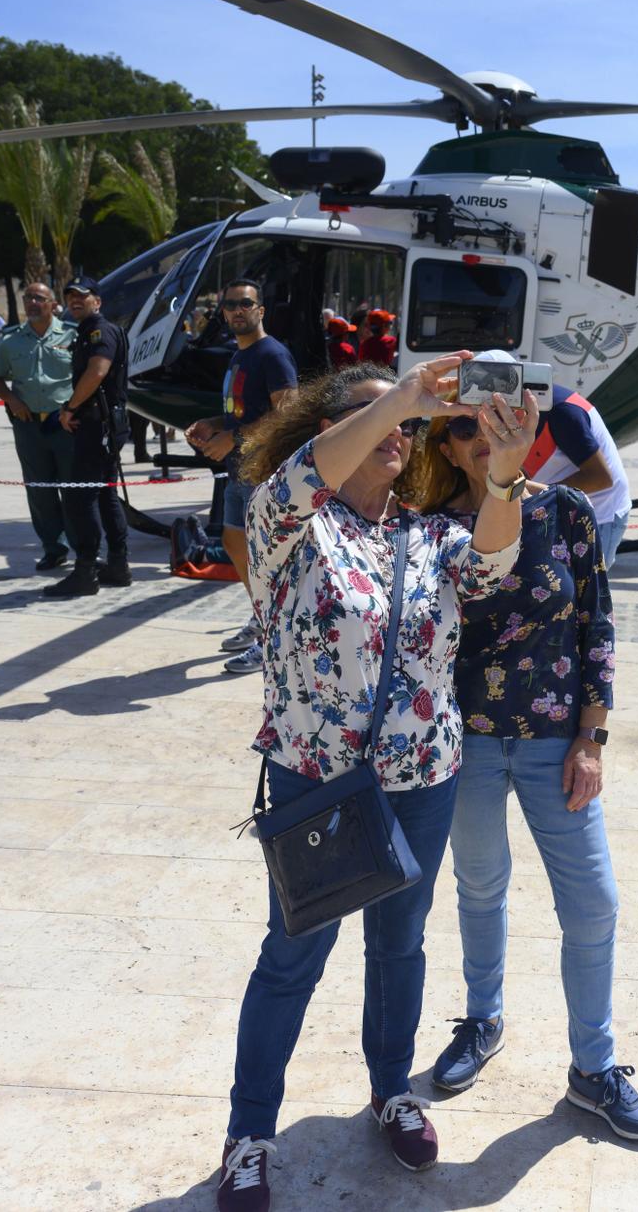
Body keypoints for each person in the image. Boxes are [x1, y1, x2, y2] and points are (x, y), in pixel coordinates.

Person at [209, 358, 531, 1207]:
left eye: (404, 423)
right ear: (329, 432)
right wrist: (405, 393)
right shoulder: (289, 528)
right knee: (293, 955)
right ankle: (249, 1134)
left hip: (423, 773)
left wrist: (504, 471)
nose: (399, 431)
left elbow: (495, 565)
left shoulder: (427, 536)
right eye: (375, 417)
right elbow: (298, 479)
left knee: (400, 943)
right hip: (318, 779)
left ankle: (392, 1088)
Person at [408, 375, 638, 1143]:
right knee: (480, 888)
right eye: (465, 429)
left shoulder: (569, 512)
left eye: (499, 420)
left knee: (594, 903)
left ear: (526, 425)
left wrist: (593, 737)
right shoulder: (429, 531)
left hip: (557, 745)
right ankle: (482, 1020)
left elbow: (598, 631)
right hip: (471, 746)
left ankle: (594, 1068)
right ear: (447, 450)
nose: (484, 437)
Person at [185, 278, 299, 674]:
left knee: (266, 558)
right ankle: (261, 618)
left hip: (263, 471)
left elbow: (287, 414)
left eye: (245, 303)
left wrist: (231, 437)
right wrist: (211, 424)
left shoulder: (272, 354)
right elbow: (243, 414)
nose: (237, 310)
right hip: (240, 469)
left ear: (260, 310)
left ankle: (272, 638)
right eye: (230, 304)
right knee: (234, 542)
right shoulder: (240, 356)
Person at [45, 277, 132, 598]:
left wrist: (69, 408)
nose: (75, 301)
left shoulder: (99, 331)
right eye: (70, 297)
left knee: (82, 497)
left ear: (98, 300)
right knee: (106, 494)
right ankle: (118, 565)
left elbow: (97, 371)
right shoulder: (89, 331)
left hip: (97, 424)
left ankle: (84, 570)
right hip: (105, 424)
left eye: (82, 296)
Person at [0, 282, 77, 572]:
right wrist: (12, 400)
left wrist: (74, 407)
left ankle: (85, 548)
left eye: (39, 298)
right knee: (39, 490)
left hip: (65, 425)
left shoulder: (72, 335)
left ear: (53, 304)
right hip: (29, 428)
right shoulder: (12, 340)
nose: (32, 303)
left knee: (74, 488)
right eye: (28, 298)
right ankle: (54, 547)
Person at [521, 376, 634, 569]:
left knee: (590, 595)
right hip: (565, 512)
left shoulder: (561, 413)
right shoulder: (537, 401)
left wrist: (536, 495)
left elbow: (600, 478)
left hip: (599, 516)